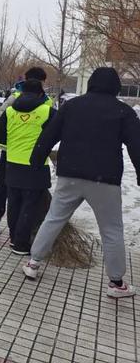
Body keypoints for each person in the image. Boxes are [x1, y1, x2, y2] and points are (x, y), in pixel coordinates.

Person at [23, 68, 140, 298]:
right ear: (116, 87)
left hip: (70, 175)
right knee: (111, 230)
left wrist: (36, 159)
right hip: (104, 180)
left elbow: (49, 135)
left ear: (91, 83)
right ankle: (116, 283)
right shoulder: (123, 111)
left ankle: (33, 263)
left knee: (54, 218)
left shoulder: (72, 106)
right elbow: (137, 145)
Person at [0, 79, 56, 255]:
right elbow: (58, 133)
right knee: (30, 205)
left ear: (21, 92)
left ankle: (14, 238)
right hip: (35, 165)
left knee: (14, 202)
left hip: (12, 164)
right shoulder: (47, 111)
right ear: (41, 94)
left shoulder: (10, 111)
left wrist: (14, 144)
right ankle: (21, 244)